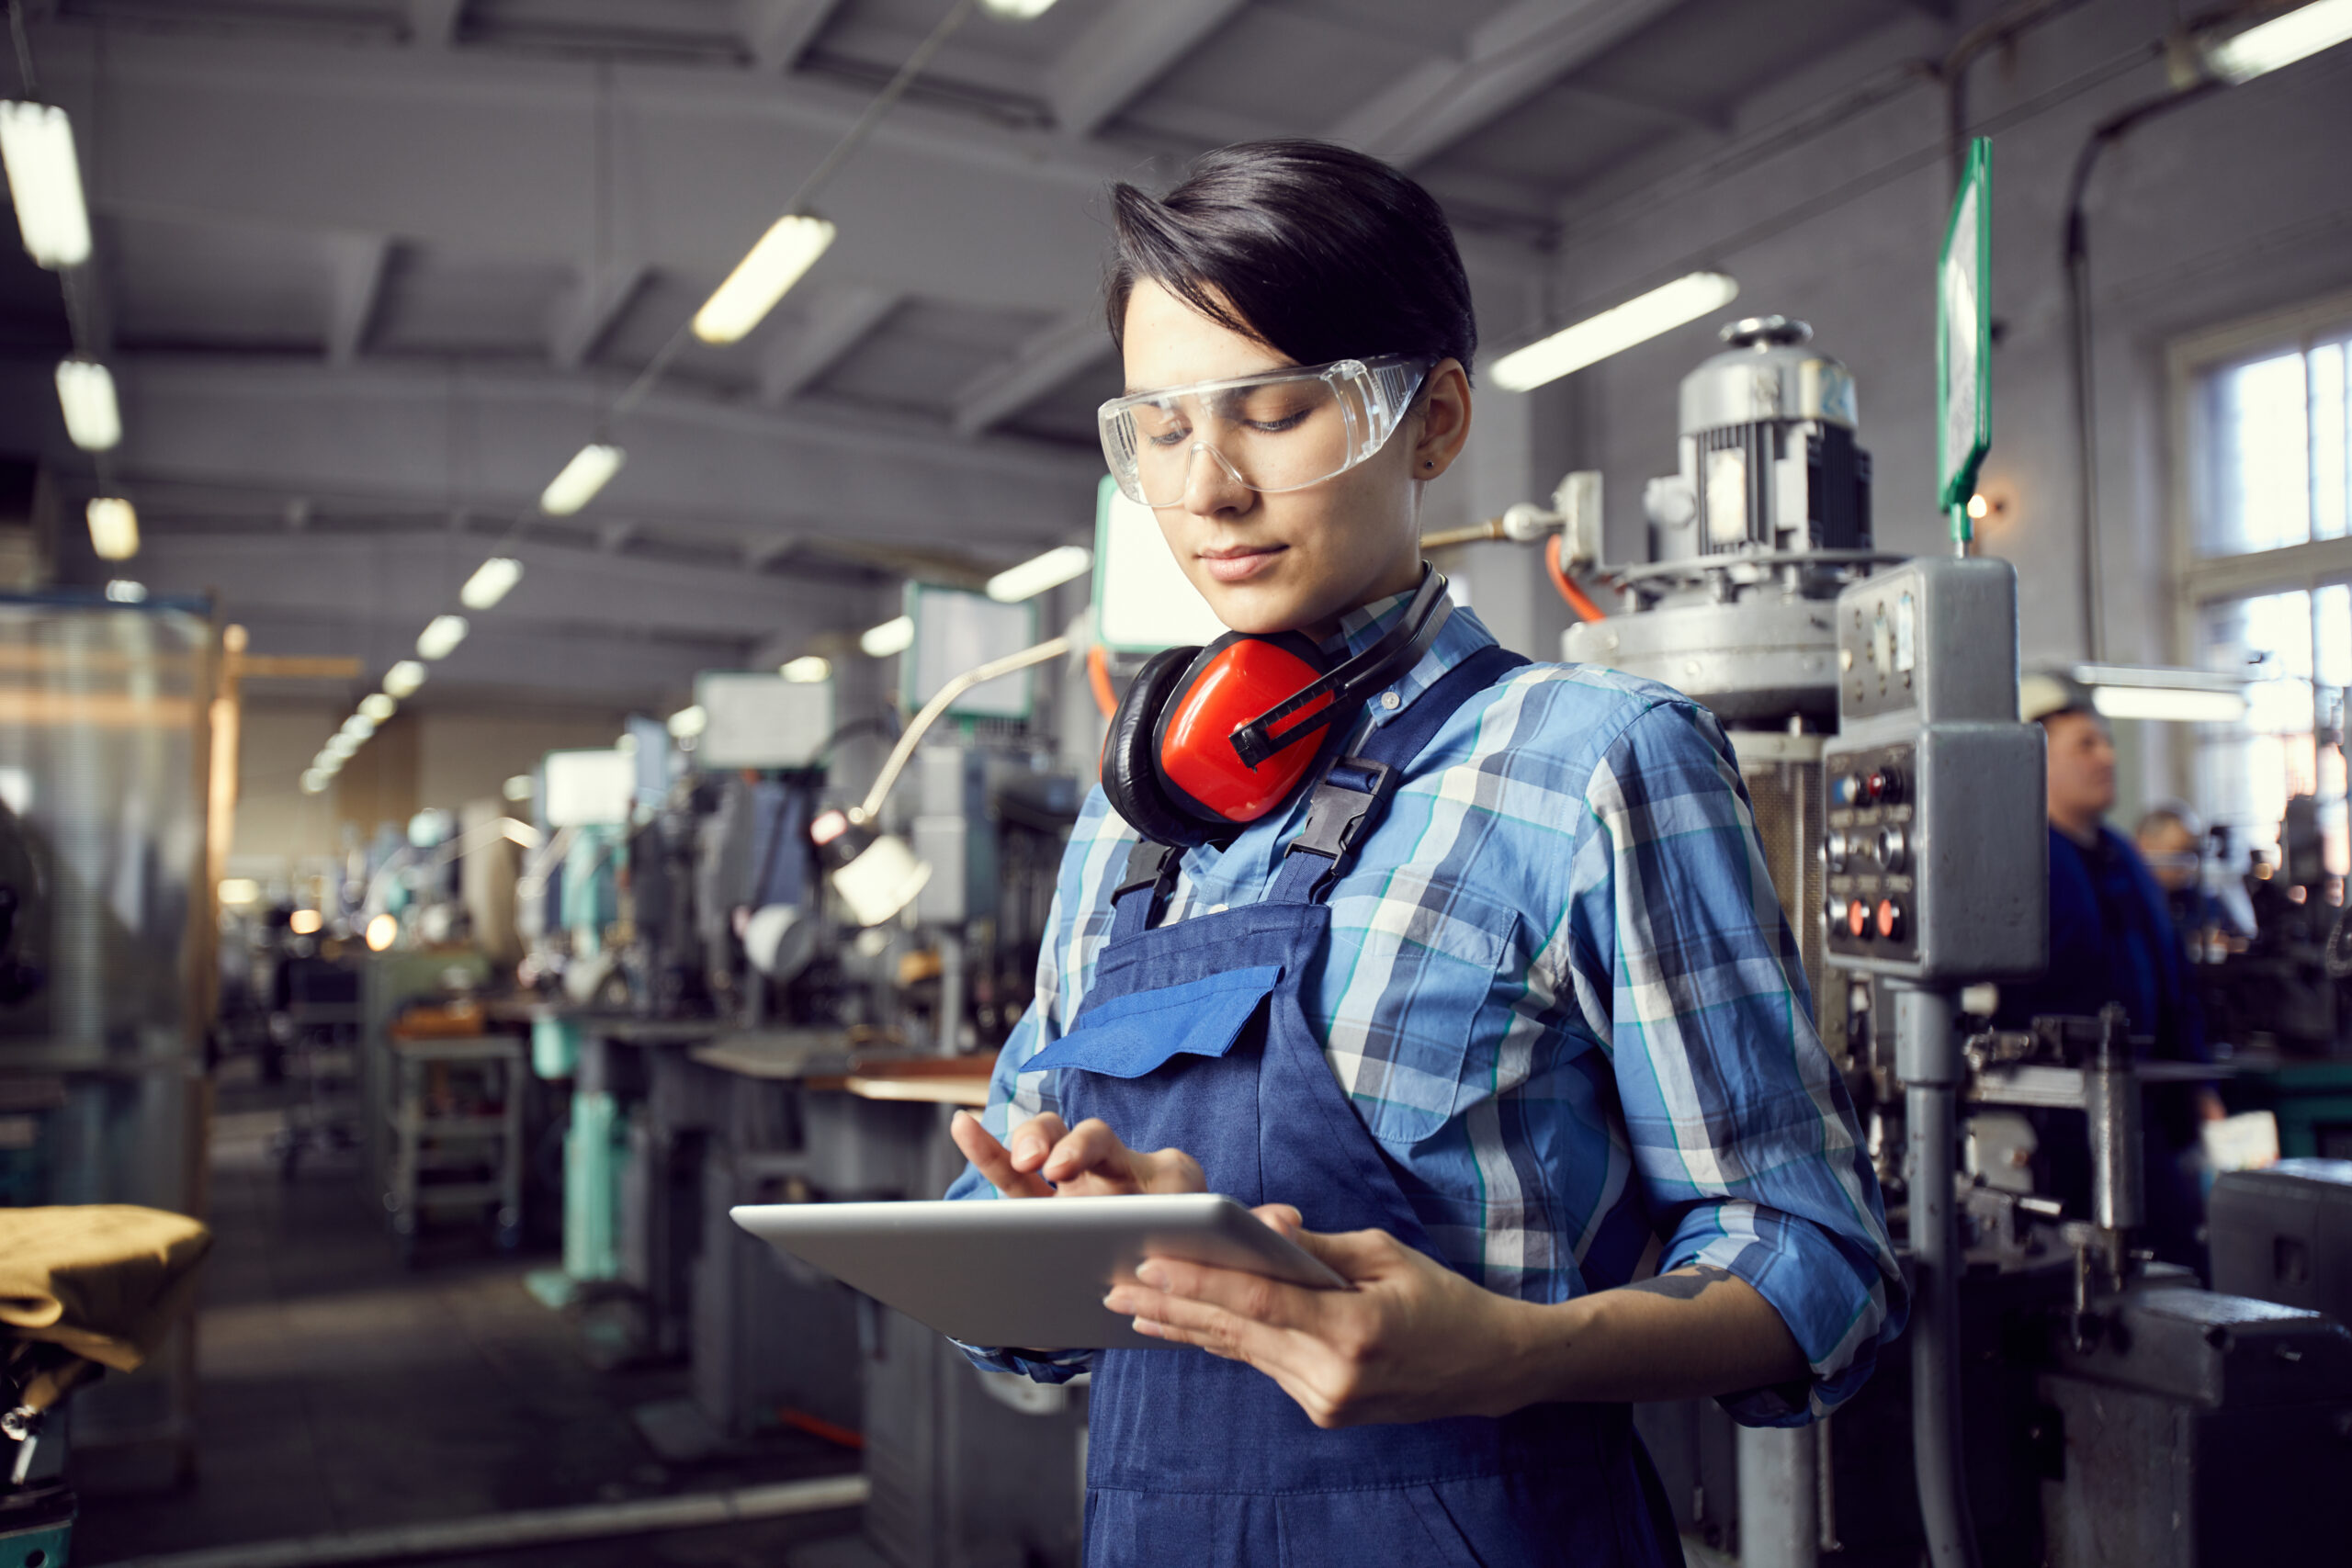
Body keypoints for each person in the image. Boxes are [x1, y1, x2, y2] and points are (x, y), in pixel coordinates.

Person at [943, 141, 1904, 1568]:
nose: (1206, 489)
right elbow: (1007, 1286)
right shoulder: (1127, 820)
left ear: (1435, 417)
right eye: (1158, 427)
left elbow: (1818, 1268)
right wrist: (1042, 1238)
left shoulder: (1592, 760)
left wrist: (1516, 1348)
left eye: (1273, 412)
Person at [2000, 674, 2222, 1271]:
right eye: (2087, 744)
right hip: (2059, 1120)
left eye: (2107, 742)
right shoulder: (2018, 859)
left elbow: (2175, 981)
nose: (2108, 756)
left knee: (2178, 1261)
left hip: (2145, 1107)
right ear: (2035, 755)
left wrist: (2200, 1085)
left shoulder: (2123, 854)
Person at [2133, 799, 2250, 953]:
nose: (2189, 863)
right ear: (2144, 845)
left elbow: (2241, 944)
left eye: (2193, 852)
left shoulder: (2206, 904)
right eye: (2179, 851)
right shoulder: (2124, 903)